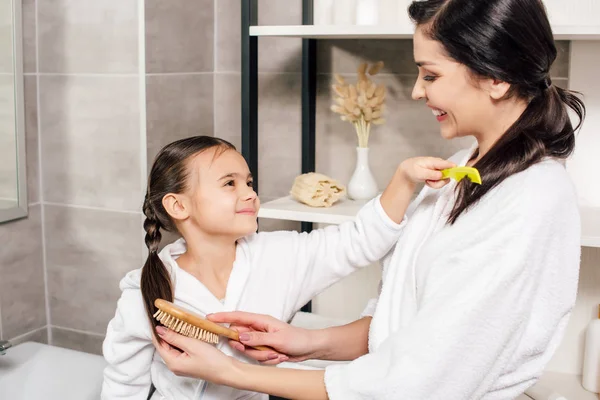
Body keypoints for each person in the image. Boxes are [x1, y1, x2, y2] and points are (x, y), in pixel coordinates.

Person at [152, 0, 586, 399]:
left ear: (496, 77)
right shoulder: (461, 169)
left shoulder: (531, 200)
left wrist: (230, 372)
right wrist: (304, 340)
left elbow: (422, 379)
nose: (417, 91)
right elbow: (402, 324)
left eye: (430, 75)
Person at [101, 135, 455, 399]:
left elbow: (359, 241)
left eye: (249, 182)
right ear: (178, 206)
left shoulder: (281, 256)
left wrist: (404, 180)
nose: (251, 194)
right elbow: (123, 383)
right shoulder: (144, 292)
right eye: (230, 184)